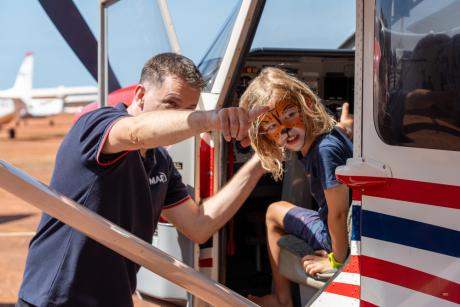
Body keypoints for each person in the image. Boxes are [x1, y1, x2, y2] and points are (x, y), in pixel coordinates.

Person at [16, 53, 268, 307]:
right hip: (55, 299)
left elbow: (199, 225)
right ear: (139, 95)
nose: (181, 118)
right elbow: (136, 132)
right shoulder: (97, 125)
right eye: (172, 104)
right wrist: (212, 119)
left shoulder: (160, 161)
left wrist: (260, 163)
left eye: (190, 110)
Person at [239, 67, 353, 307]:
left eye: (289, 114)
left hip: (341, 234)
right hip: (342, 225)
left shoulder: (324, 151)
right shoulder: (326, 137)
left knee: (273, 214)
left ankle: (282, 299)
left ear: (307, 105)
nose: (285, 130)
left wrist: (336, 261)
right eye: (271, 127)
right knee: (277, 208)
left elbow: (339, 213)